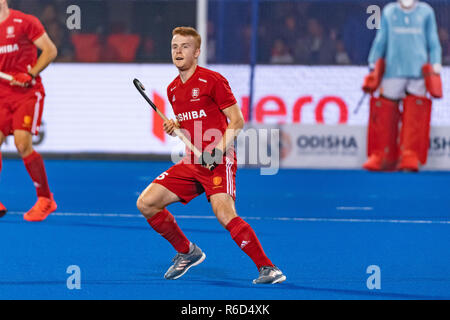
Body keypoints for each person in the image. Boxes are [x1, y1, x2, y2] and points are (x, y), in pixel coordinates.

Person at [136, 26, 286, 284]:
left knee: (225, 214)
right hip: (192, 162)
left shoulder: (213, 80)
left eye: (184, 47)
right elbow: (192, 124)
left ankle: (268, 268)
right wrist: (176, 127)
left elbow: (236, 122)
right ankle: (187, 252)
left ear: (197, 52)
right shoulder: (172, 89)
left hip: (220, 159)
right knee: (147, 203)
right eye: (174, 47)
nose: (178, 51)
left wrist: (217, 151)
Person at [362, 0, 442, 172]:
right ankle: (383, 154)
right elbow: (381, 40)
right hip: (393, 70)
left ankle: (410, 154)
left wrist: (436, 62)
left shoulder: (426, 12)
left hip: (418, 72)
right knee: (385, 112)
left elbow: (433, 40)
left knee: (415, 115)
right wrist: (373, 62)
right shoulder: (389, 12)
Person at [0, 0, 58, 220]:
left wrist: (31, 73)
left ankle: (45, 199)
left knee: (22, 144)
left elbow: (50, 51)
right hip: (1, 95)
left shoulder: (25, 22)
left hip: (26, 93)